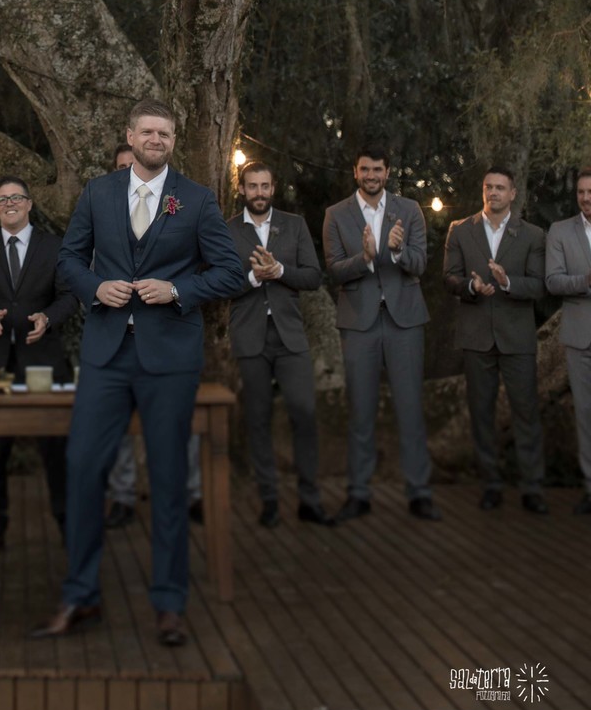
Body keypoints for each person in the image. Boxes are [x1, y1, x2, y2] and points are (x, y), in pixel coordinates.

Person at [34, 99, 246, 649]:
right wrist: (92, 288)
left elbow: (229, 271)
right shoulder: (97, 193)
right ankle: (81, 595)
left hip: (169, 360)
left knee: (170, 479)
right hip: (106, 355)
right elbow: (68, 261)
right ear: (129, 137)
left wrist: (179, 290)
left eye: (166, 133)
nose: (157, 139)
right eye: (148, 131)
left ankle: (170, 604)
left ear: (172, 141)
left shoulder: (197, 200)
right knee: (82, 468)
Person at [0, 173, 77, 555]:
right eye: (2, 200)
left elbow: (68, 297)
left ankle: (66, 524)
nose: (9, 204)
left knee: (55, 450)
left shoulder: (54, 246)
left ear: (29, 204)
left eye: (16, 198)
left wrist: (48, 318)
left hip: (43, 359)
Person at [322, 147, 439, 521]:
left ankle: (419, 493)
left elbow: (421, 263)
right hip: (359, 323)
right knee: (360, 411)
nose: (371, 175)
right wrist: (367, 258)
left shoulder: (410, 210)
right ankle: (358, 494)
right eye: (364, 169)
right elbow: (334, 270)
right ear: (355, 172)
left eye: (377, 169)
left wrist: (398, 251)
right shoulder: (336, 215)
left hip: (404, 320)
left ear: (387, 172)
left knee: (410, 409)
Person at [225, 161, 331, 528]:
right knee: (257, 420)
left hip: (290, 337)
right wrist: (254, 276)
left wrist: (280, 271)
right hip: (249, 336)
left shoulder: (295, 225)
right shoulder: (227, 231)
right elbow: (220, 285)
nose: (259, 193)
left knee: (304, 412)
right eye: (252, 186)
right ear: (241, 189)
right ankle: (269, 500)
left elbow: (314, 277)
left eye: (265, 186)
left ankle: (309, 499)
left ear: (274, 188)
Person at [103, 144, 203, 530]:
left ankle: (187, 496)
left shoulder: (181, 204)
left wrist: (173, 290)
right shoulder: (103, 207)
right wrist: (99, 291)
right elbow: (84, 267)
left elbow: (202, 265)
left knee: (182, 423)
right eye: (123, 168)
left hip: (168, 336)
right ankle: (123, 497)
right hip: (117, 338)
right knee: (120, 427)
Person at [442, 165, 547, 512]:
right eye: (489, 187)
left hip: (517, 338)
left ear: (513, 193)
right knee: (481, 414)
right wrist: (472, 286)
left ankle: (532, 487)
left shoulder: (532, 235)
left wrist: (507, 283)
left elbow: (539, 285)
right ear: (482, 190)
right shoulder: (460, 231)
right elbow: (450, 278)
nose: (494, 193)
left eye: (501, 188)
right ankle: (491, 484)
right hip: (476, 337)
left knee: (526, 413)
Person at [544, 168, 591, 515]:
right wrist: (585, 281)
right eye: (581, 193)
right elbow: (553, 282)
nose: (586, 198)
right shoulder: (560, 231)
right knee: (586, 416)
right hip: (580, 337)